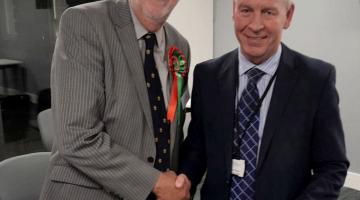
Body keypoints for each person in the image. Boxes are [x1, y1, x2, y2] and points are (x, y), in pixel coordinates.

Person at [179, 0, 349, 199]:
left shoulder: (316, 80)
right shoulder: (207, 75)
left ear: (288, 16)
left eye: (268, 12)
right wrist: (183, 183)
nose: (255, 25)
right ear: (234, 10)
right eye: (246, 10)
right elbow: (196, 149)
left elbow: (331, 166)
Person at [39, 0, 191, 199]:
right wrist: (155, 182)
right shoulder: (84, 22)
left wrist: (177, 183)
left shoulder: (179, 46)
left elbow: (171, 134)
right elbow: (77, 135)